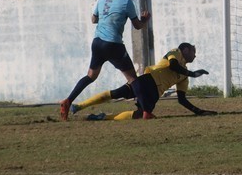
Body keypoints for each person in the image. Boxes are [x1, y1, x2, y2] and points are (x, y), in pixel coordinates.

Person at [59, 0, 150, 121]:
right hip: (114, 45)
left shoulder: (101, 0)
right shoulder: (127, 3)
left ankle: (68, 101)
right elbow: (137, 26)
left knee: (90, 76)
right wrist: (144, 20)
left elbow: (94, 19)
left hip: (97, 43)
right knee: (133, 78)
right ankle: (146, 112)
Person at [71, 42, 216, 120]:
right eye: (193, 52)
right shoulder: (175, 52)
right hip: (148, 80)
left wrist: (200, 111)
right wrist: (192, 73)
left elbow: (182, 99)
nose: (195, 56)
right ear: (185, 49)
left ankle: (103, 117)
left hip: (155, 94)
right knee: (117, 93)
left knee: (140, 114)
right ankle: (79, 106)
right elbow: (173, 65)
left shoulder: (184, 76)